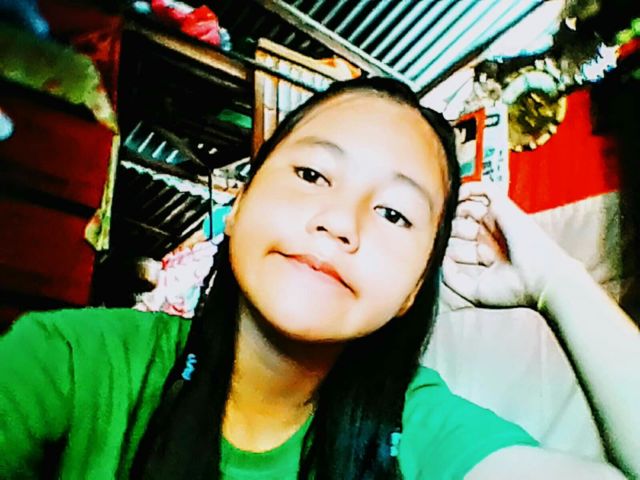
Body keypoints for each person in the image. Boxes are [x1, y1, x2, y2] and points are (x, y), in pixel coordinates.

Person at [0, 77, 637, 479]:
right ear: (240, 204)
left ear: (415, 288)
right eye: (311, 175)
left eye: (394, 213)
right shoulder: (73, 361)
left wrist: (557, 282)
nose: (340, 223)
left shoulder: (419, 432)